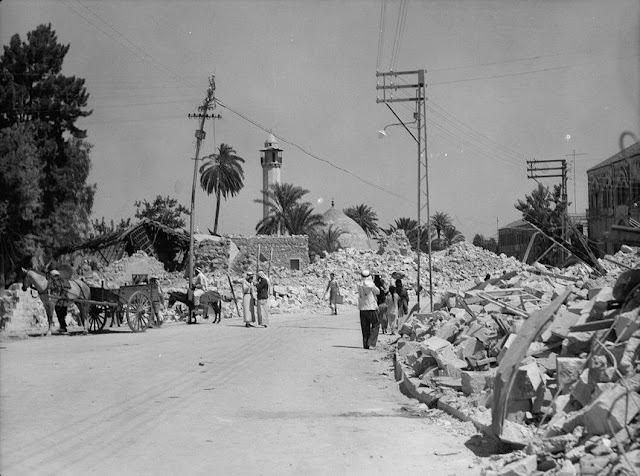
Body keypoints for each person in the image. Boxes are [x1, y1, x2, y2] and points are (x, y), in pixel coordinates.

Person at [358, 269, 380, 349]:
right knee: (376, 323)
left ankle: (365, 344)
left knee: (365, 327)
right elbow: (378, 292)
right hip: (371, 307)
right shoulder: (370, 284)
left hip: (362, 307)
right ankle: (372, 343)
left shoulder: (359, 284)